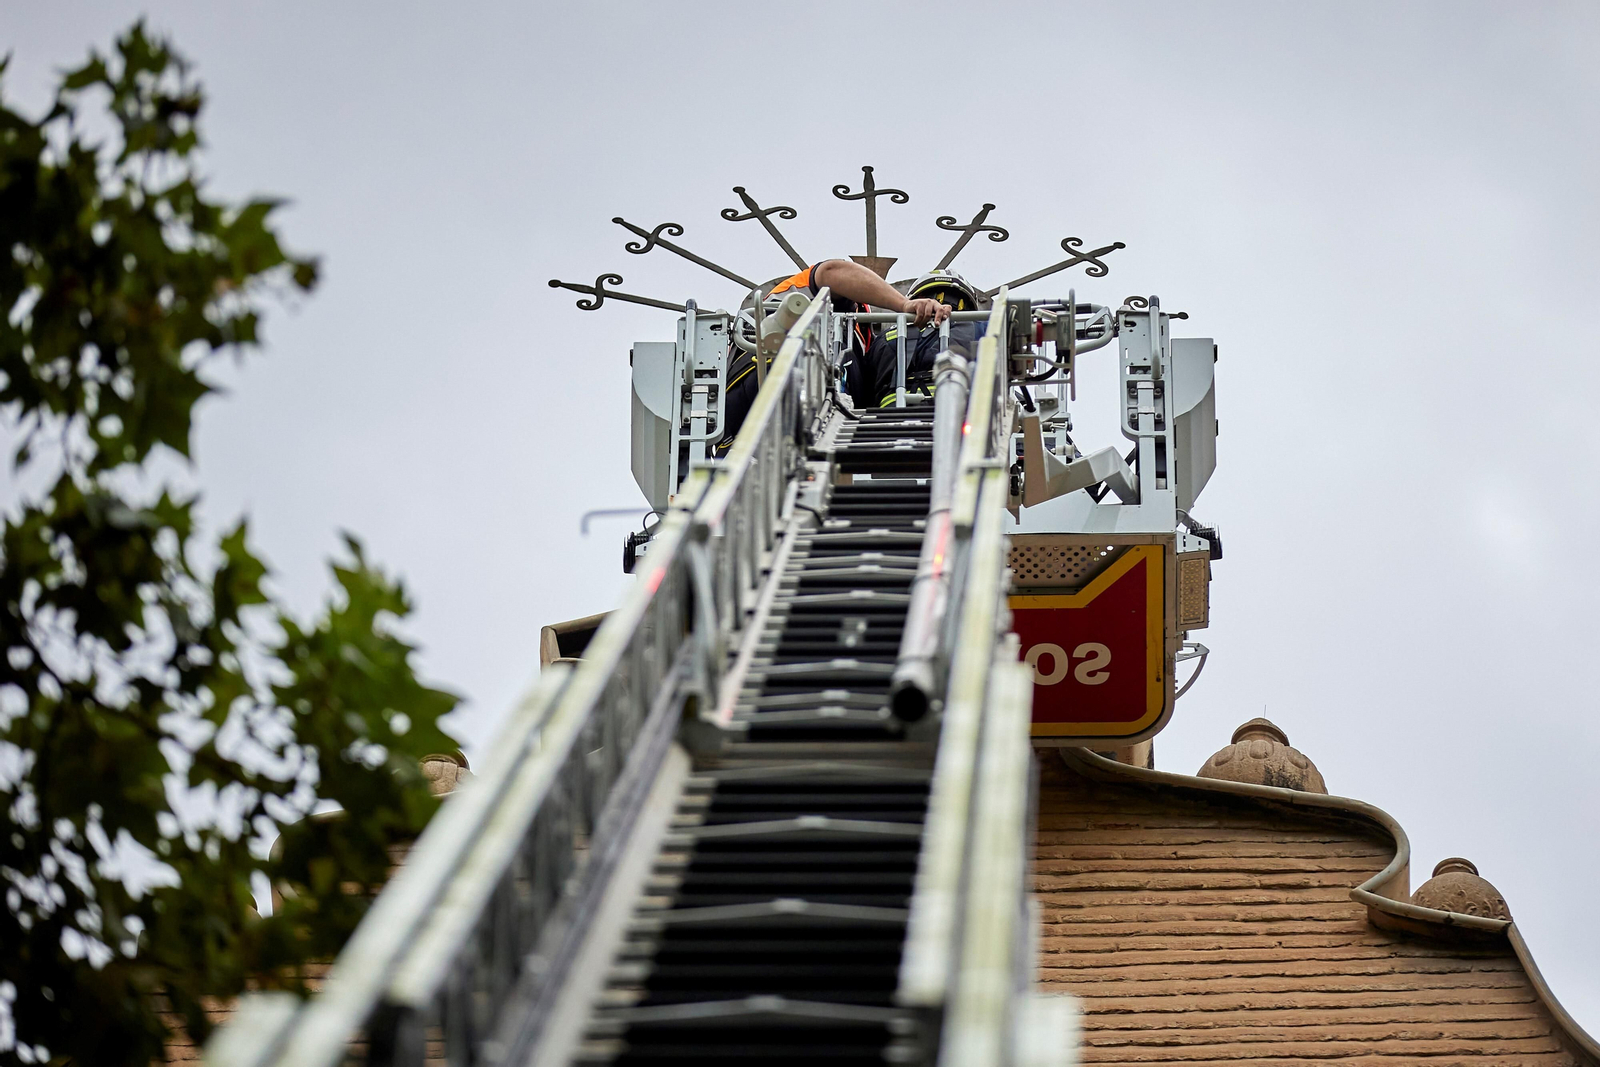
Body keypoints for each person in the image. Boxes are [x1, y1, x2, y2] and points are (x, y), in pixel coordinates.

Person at [719, 260, 954, 453]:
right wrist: (903, 304)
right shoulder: (808, 295)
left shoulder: (865, 350)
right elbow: (833, 271)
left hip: (750, 427)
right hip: (766, 375)